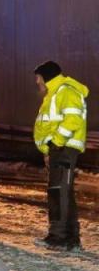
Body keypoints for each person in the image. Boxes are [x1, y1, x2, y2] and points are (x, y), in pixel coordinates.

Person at [32, 61, 88, 251]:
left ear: (46, 77)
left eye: (38, 77)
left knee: (59, 193)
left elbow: (73, 120)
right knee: (63, 193)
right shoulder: (55, 93)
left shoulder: (66, 91)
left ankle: (59, 237)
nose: (37, 82)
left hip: (63, 149)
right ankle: (70, 238)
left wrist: (56, 142)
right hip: (59, 149)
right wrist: (48, 149)